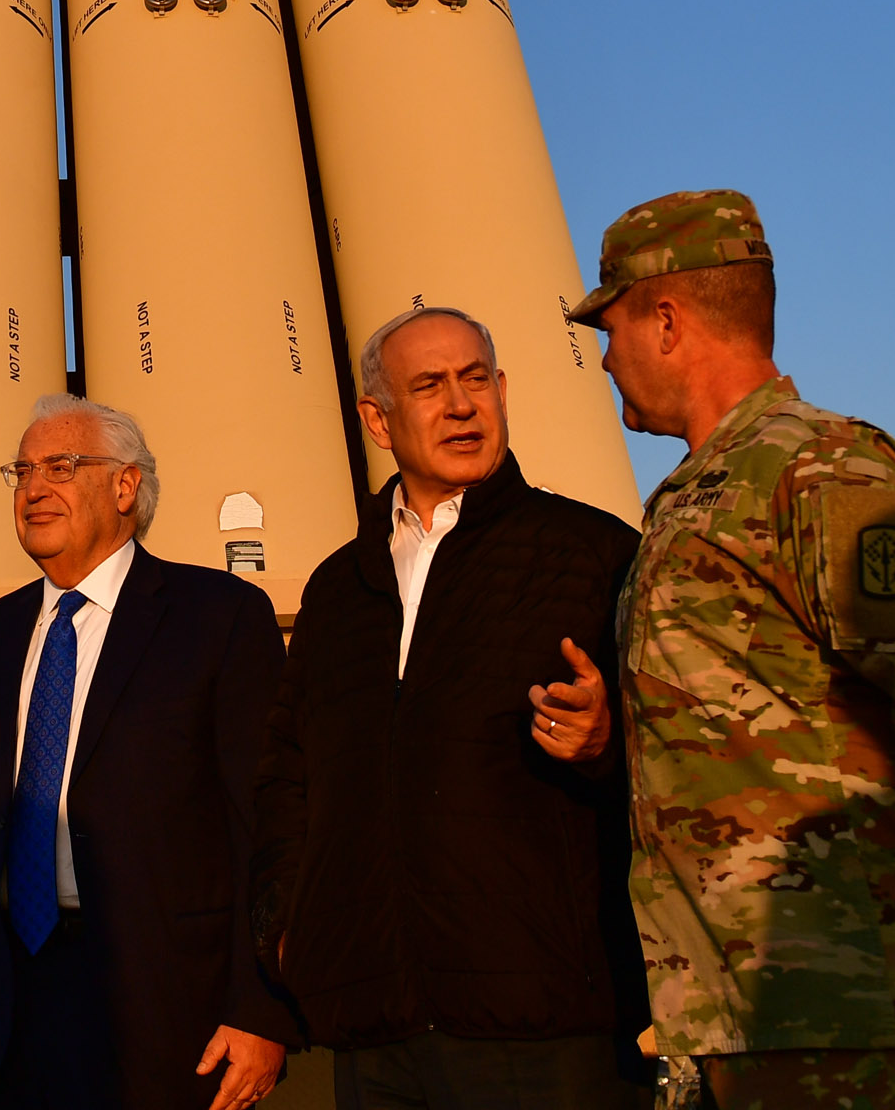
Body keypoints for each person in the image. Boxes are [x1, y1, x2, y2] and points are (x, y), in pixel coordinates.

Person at [574, 189, 895, 1109]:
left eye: (608, 326)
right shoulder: (702, 497)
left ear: (665, 318)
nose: (604, 357)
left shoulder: (818, 473)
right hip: (768, 1010)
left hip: (867, 1013)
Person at [253, 305, 648, 1108]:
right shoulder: (336, 590)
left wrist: (607, 742)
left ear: (502, 391)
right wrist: (289, 934)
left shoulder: (593, 553)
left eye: (476, 380)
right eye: (429, 386)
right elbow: (292, 782)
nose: (461, 404)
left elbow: (677, 764)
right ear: (377, 419)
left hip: (544, 1026)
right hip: (375, 1022)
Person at [0, 393, 296, 1110]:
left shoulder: (218, 618)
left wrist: (263, 1010)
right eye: (22, 470)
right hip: (6, 1006)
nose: (34, 488)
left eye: (62, 465)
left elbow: (266, 829)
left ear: (125, 486)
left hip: (169, 1008)